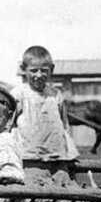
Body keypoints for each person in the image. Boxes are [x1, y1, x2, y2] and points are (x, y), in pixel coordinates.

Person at [11, 46, 79, 184]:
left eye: (44, 70)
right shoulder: (18, 94)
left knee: (64, 196)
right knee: (35, 197)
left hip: (57, 158)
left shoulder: (55, 95)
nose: (39, 75)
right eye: (33, 70)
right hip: (30, 159)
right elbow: (8, 125)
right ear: (24, 69)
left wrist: (69, 152)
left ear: (51, 70)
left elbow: (64, 126)